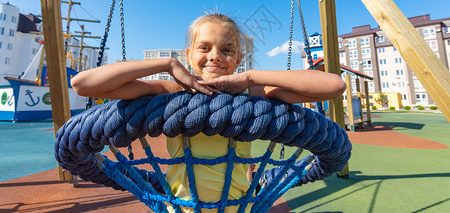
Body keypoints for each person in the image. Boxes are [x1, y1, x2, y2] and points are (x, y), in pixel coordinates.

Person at [71, 13, 346, 212]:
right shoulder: (171, 91)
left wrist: (250, 77)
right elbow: (83, 84)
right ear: (189, 55)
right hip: (180, 208)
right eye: (205, 47)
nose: (215, 55)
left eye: (227, 50)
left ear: (238, 59)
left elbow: (334, 85)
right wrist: (167, 63)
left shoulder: (251, 94)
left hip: (238, 207)